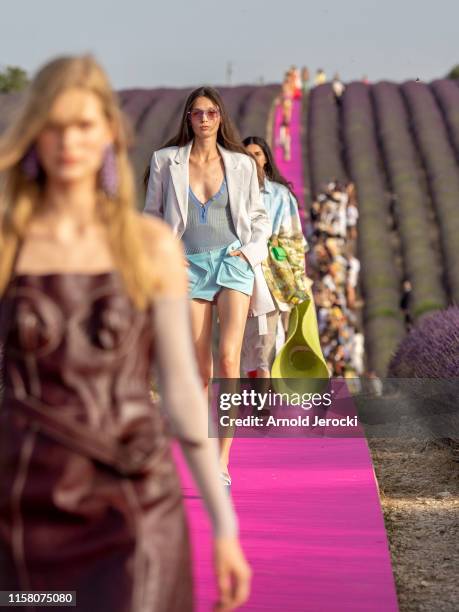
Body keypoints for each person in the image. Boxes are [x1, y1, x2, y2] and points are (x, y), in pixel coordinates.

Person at [0, 55, 251, 612]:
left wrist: (223, 526)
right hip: (26, 504)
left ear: (109, 133)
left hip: (136, 501)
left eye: (84, 125)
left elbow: (182, 393)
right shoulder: (7, 244)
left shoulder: (149, 246)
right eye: (55, 125)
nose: (69, 141)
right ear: (34, 134)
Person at [144, 86, 274, 489]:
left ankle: (222, 462)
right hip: (188, 267)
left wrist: (250, 255)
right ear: (188, 117)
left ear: (221, 118)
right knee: (200, 367)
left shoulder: (240, 164)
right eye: (197, 113)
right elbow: (150, 215)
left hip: (232, 263)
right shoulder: (166, 161)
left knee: (231, 359)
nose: (204, 119)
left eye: (211, 113)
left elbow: (258, 217)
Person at [241, 136, 309, 378]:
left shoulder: (279, 195)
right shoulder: (230, 193)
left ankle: (265, 404)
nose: (252, 159)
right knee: (246, 344)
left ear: (266, 159)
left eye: (257, 154)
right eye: (246, 154)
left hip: (270, 277)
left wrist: (297, 280)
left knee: (265, 341)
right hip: (239, 272)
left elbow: (294, 239)